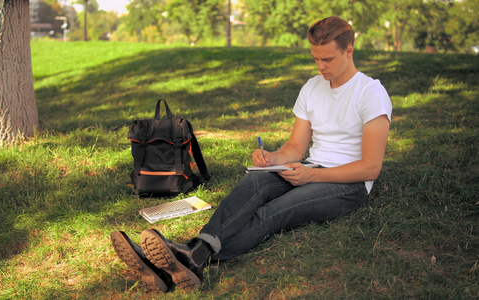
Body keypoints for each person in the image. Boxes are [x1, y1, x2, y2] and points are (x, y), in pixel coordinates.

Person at [110, 16, 392, 293]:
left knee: (273, 213)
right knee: (255, 182)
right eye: (315, 58)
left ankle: (178, 258)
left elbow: (370, 168)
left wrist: (312, 175)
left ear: (349, 51)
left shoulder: (370, 93)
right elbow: (295, 148)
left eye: (327, 59)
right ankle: (191, 255)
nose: (320, 67)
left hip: (347, 184)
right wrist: (271, 158)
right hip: (307, 166)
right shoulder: (312, 87)